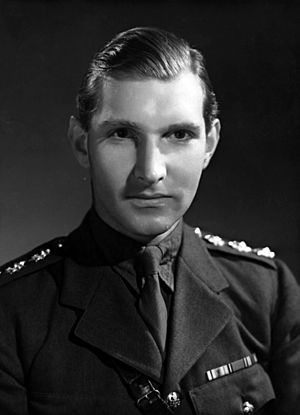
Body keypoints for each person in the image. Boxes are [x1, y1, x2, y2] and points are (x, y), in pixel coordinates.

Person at [0, 27, 299, 415]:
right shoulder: (12, 313)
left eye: (178, 134)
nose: (150, 171)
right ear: (81, 144)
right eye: (122, 133)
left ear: (209, 143)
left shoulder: (265, 293)